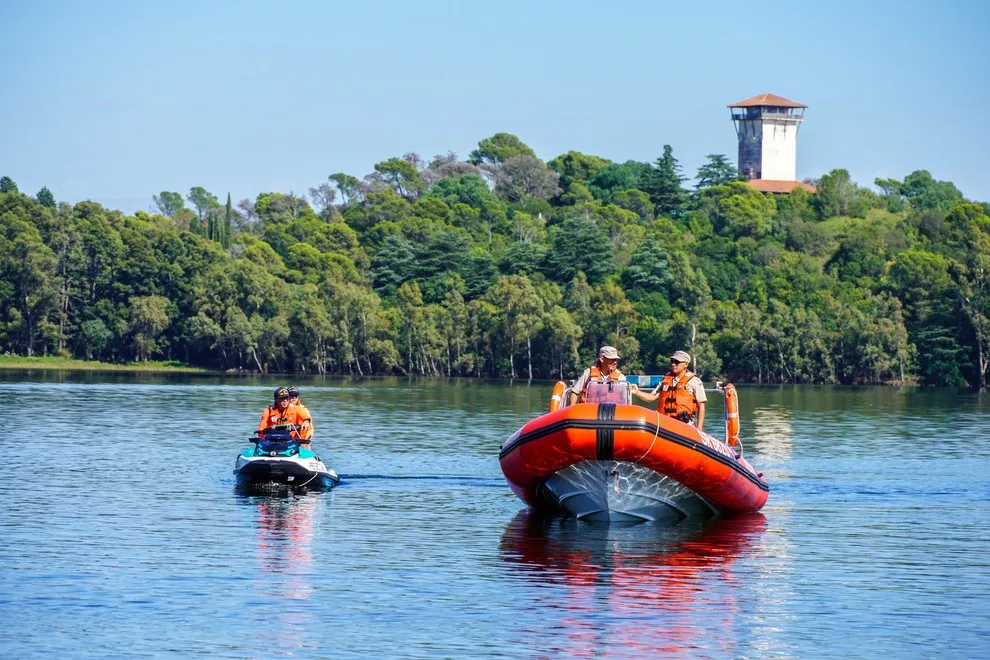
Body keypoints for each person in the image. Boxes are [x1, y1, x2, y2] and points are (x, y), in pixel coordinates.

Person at [632, 350, 706, 431]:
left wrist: (699, 428)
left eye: (677, 362)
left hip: (684, 425)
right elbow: (652, 397)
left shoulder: (694, 381)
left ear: (686, 364)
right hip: (665, 423)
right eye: (672, 361)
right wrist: (637, 392)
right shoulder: (666, 380)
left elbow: (701, 406)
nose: (673, 364)